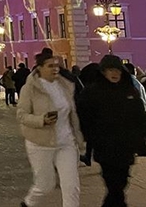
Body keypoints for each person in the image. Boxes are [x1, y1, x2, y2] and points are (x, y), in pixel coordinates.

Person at [78, 55, 146, 207]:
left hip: (126, 145)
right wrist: (92, 136)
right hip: (105, 146)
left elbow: (139, 115)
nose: (114, 73)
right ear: (103, 72)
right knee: (113, 183)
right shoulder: (92, 93)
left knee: (122, 181)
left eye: (117, 70)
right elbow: (84, 117)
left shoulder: (129, 90)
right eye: (110, 70)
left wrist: (139, 137)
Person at [17, 50, 83, 207]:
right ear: (39, 68)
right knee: (45, 185)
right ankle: (28, 203)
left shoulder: (65, 85)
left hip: (66, 142)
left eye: (57, 66)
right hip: (40, 143)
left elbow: (71, 114)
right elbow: (22, 115)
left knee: (71, 186)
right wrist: (41, 120)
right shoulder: (30, 88)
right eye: (50, 66)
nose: (55, 69)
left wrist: (78, 136)